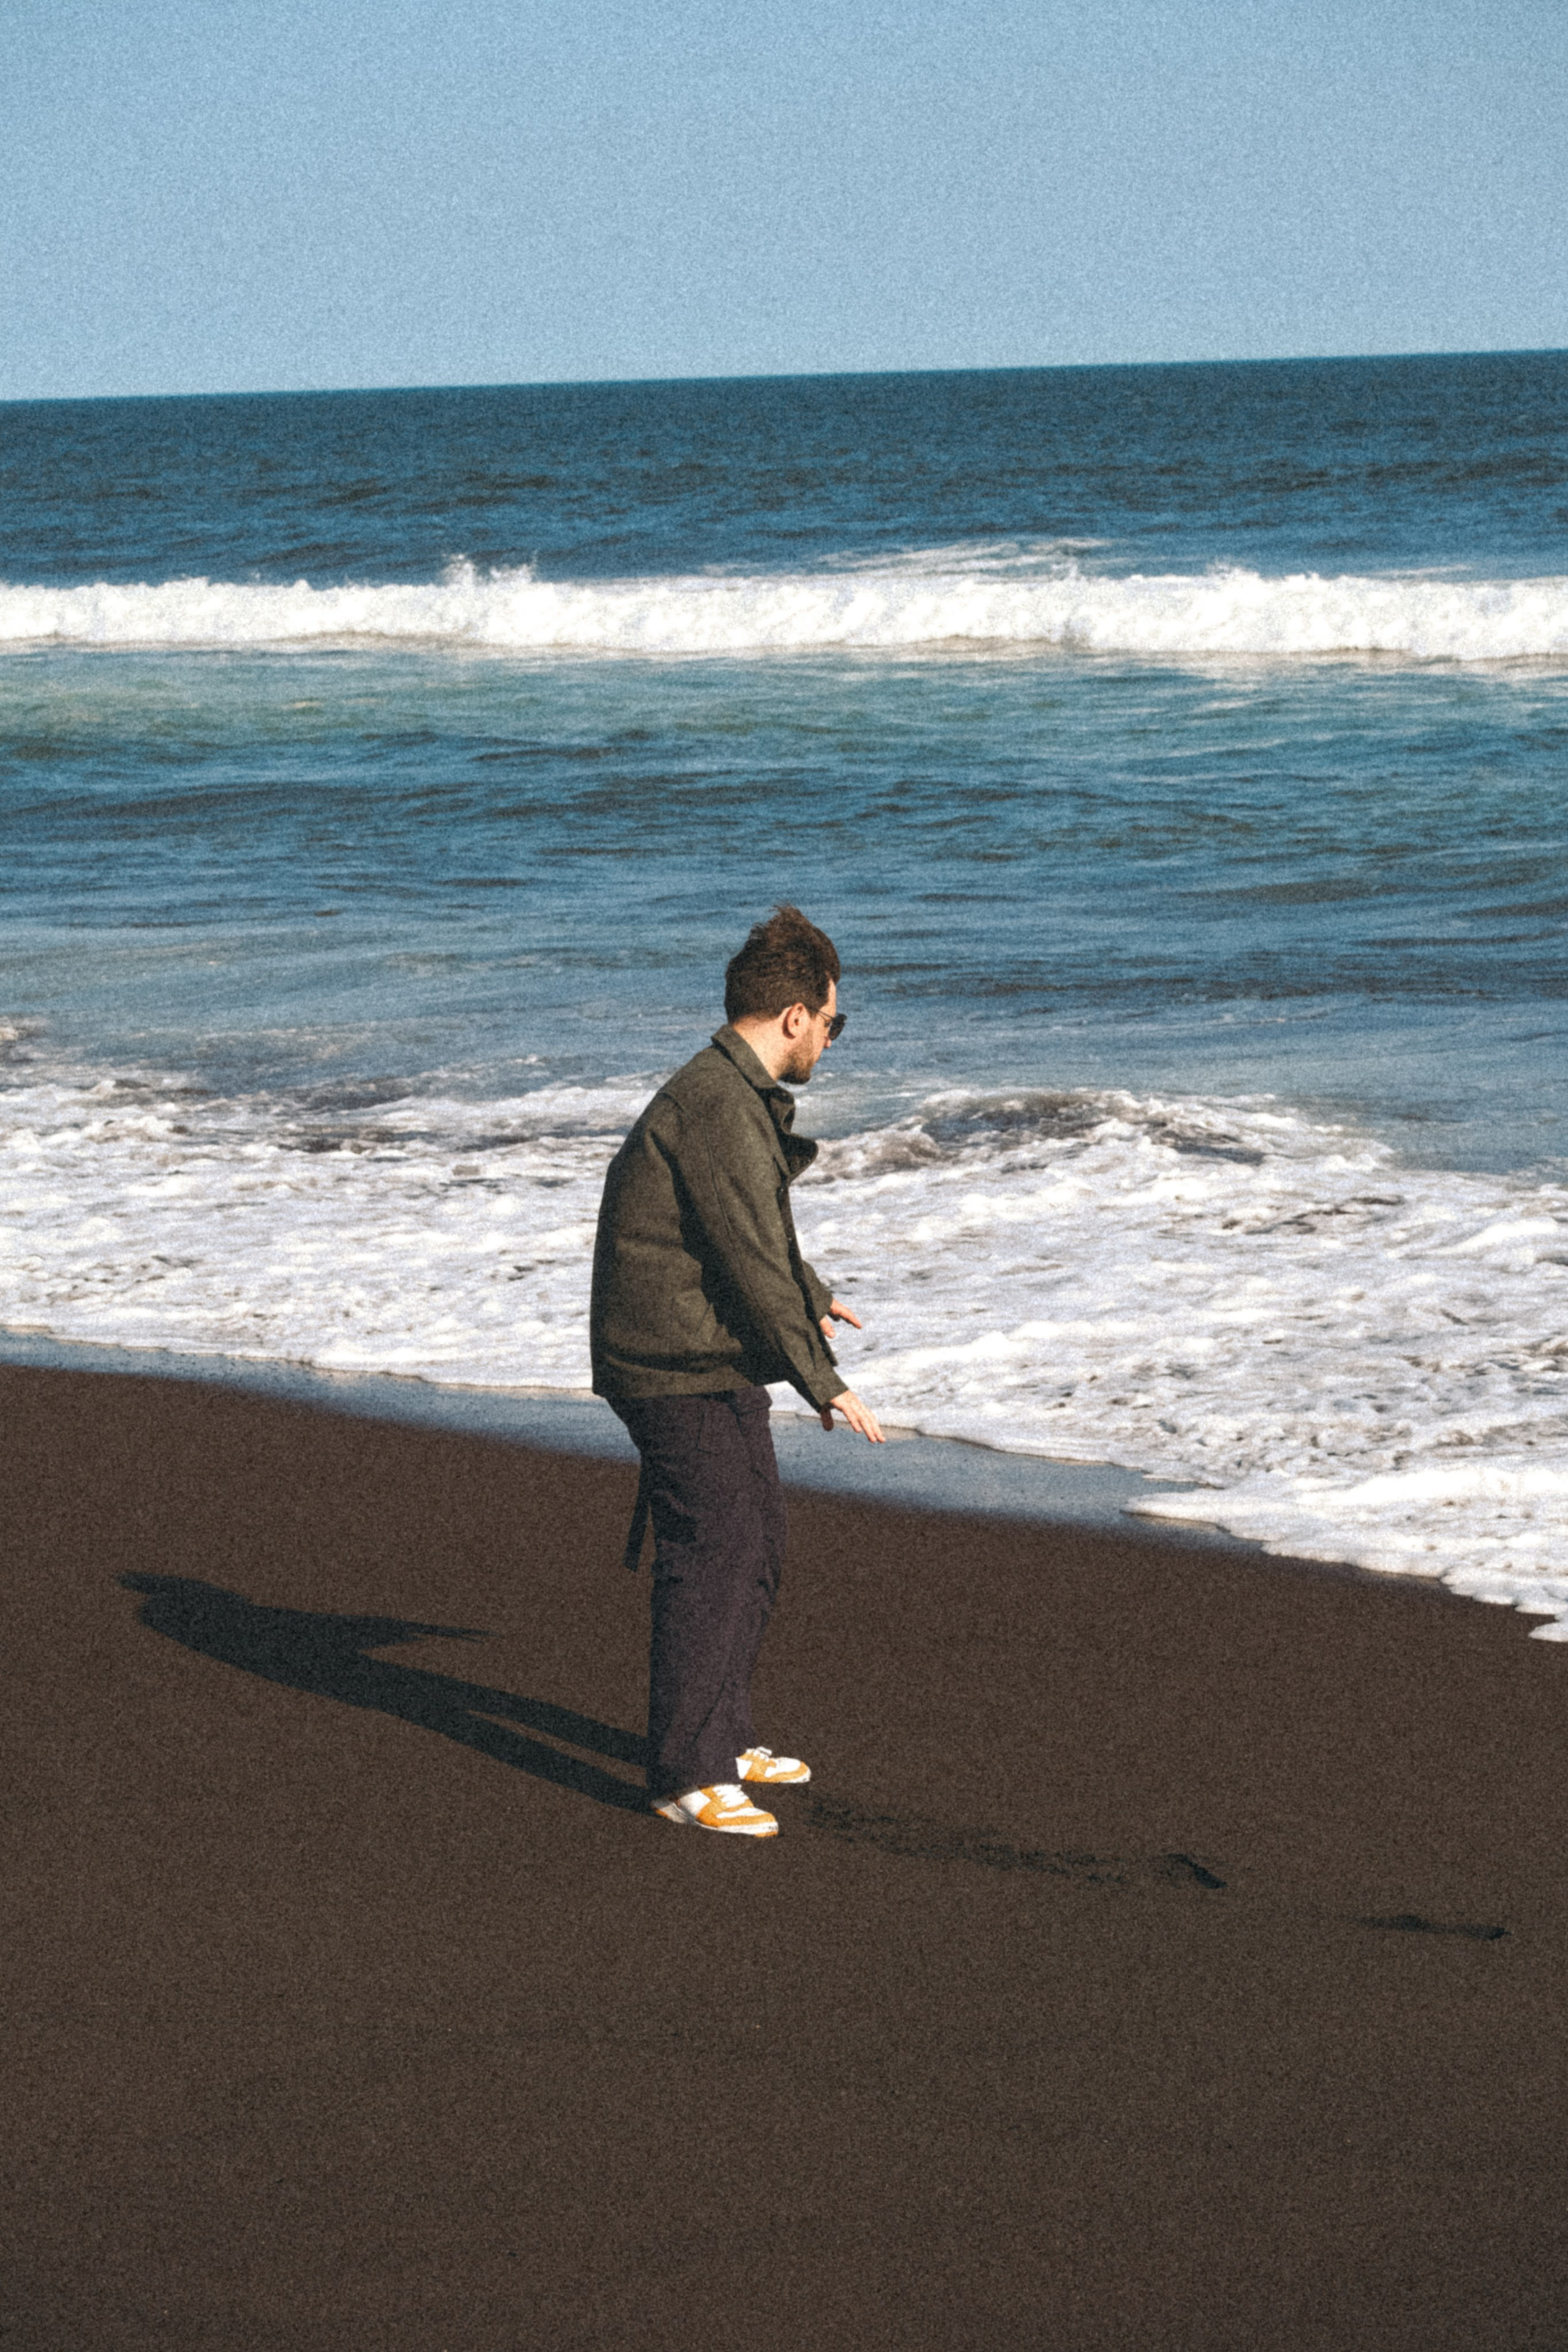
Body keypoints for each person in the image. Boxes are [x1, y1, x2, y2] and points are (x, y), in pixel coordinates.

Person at [590, 904, 884, 1838]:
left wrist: (813, 1291)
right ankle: (686, 1774)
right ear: (796, 1016)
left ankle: (723, 1735)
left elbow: (746, 1230)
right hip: (667, 1362)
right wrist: (822, 1376)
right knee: (712, 1553)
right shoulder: (717, 1101)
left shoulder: (731, 1095)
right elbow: (748, 1251)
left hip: (706, 1350)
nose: (832, 1042)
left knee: (755, 1543)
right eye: (833, 1023)